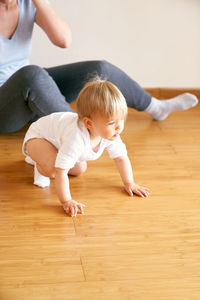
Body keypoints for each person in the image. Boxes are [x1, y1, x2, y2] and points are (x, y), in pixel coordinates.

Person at [0, 0, 198, 133]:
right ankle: (80, 138)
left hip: (29, 92)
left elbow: (63, 40)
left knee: (99, 68)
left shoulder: (28, 4)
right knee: (32, 74)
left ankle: (156, 108)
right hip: (5, 109)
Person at [22, 80, 150, 217]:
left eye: (121, 120)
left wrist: (129, 183)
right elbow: (61, 172)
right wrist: (66, 201)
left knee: (79, 169)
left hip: (59, 141)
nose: (119, 127)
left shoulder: (112, 134)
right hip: (38, 138)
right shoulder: (75, 139)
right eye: (112, 123)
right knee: (53, 169)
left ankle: (48, 157)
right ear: (89, 123)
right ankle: (38, 163)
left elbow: (121, 158)